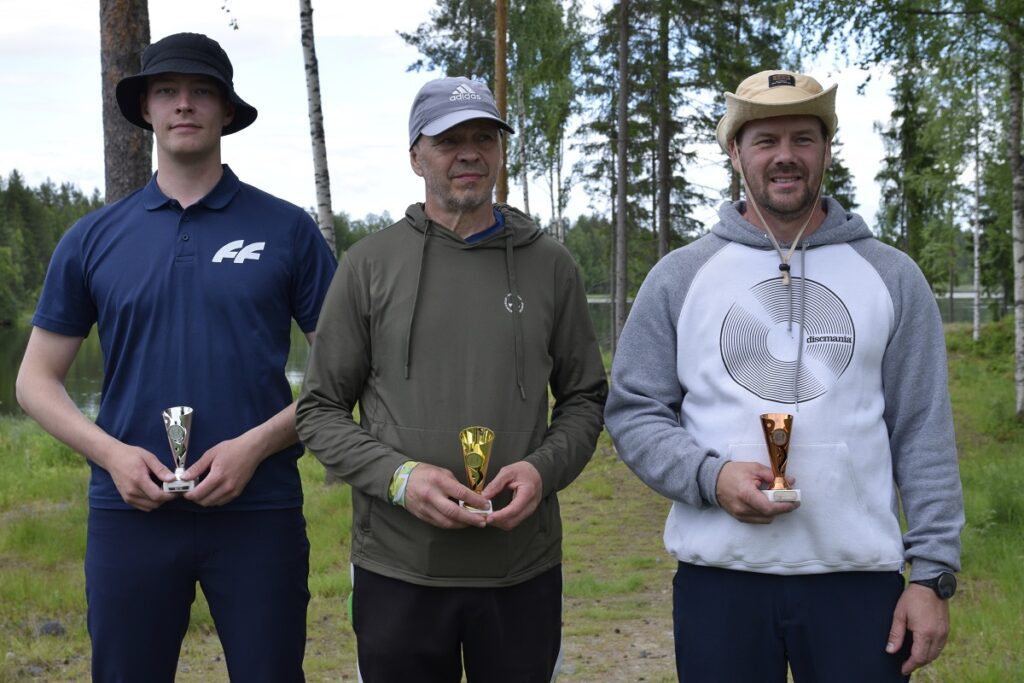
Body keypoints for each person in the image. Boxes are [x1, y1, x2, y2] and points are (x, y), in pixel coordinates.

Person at [604, 69, 965, 683]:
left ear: (827, 149)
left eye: (804, 138)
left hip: (857, 586)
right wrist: (710, 478)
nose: (785, 156)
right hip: (720, 583)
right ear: (736, 152)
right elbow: (635, 410)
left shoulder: (892, 276)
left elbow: (923, 429)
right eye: (766, 140)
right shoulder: (680, 275)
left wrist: (931, 574)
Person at [16, 32, 337, 682]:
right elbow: (35, 380)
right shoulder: (93, 238)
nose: (183, 104)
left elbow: (347, 370)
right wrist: (111, 454)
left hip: (259, 506)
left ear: (226, 111)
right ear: (146, 111)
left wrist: (256, 445)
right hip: (129, 511)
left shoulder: (287, 230)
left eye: (201, 92)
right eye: (167, 91)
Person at [296, 75, 607, 683]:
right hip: (399, 566)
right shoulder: (368, 266)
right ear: (416, 155)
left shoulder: (550, 265)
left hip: (521, 567)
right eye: (448, 140)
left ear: (499, 149)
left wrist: (543, 470)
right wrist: (399, 479)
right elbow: (319, 411)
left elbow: (585, 399)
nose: (469, 153)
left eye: (484, 137)